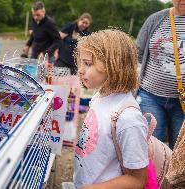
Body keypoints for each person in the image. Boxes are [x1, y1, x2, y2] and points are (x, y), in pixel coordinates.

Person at [75, 30, 148, 189]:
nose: (80, 70)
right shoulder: (99, 96)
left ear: (113, 65)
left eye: (87, 63)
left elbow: (137, 180)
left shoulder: (128, 119)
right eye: (81, 62)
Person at [136, 0, 185, 150]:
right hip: (151, 97)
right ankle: (151, 175)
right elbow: (138, 53)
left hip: (182, 103)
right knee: (150, 146)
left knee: (178, 152)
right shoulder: (155, 20)